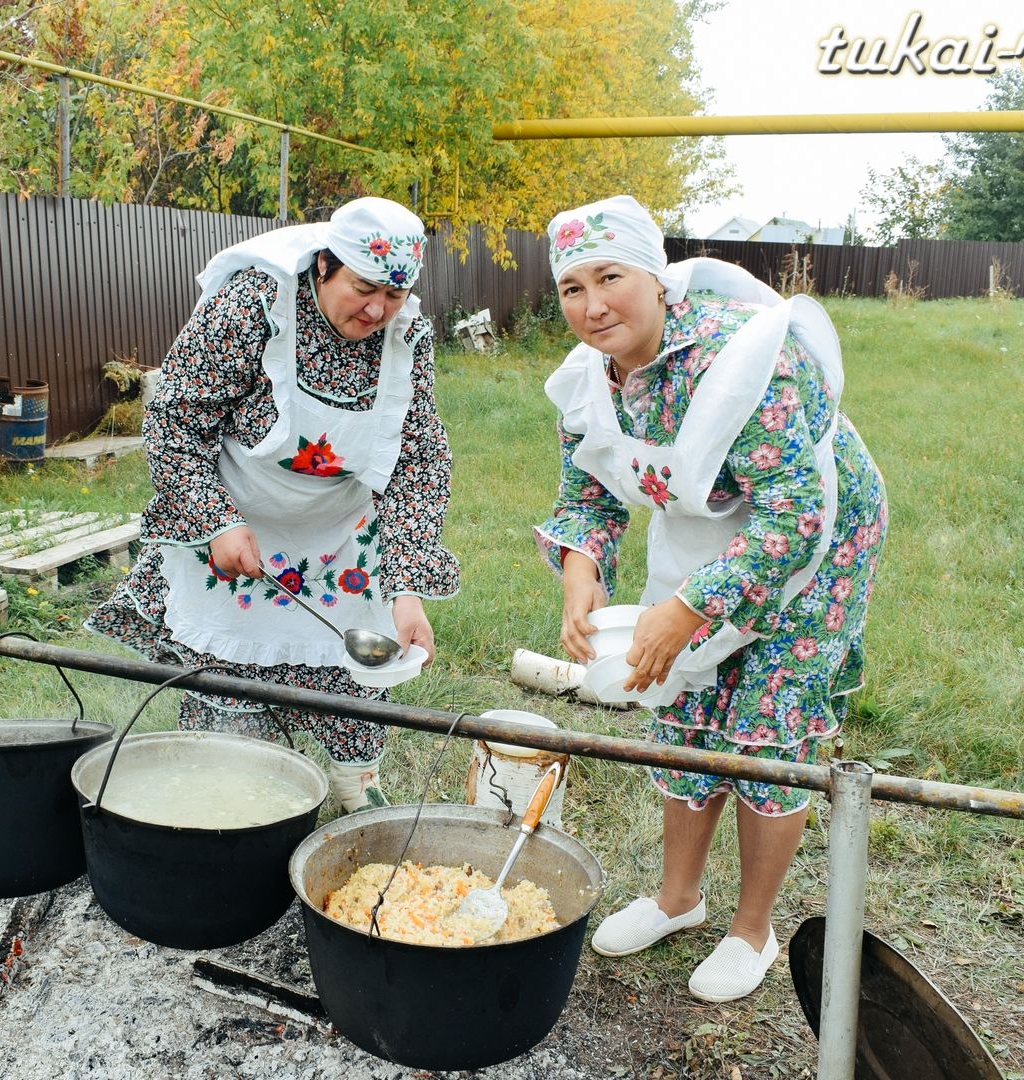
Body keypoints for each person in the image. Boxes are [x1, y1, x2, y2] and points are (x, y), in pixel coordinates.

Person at [533, 195, 887, 1002]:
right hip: (711, 526)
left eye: (611, 278)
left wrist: (691, 607)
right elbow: (586, 490)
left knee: (767, 724)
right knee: (685, 705)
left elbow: (794, 513)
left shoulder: (745, 358)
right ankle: (677, 899)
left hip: (814, 539)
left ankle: (751, 931)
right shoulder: (592, 378)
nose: (592, 306)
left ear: (655, 280)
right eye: (572, 289)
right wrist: (583, 569)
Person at [88, 197, 459, 814]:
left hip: (338, 531)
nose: (377, 310)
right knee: (228, 679)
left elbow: (417, 459)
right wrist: (214, 522)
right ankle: (236, 797)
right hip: (237, 520)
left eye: (393, 296)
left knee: (351, 673)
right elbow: (176, 419)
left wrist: (406, 586)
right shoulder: (252, 307)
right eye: (363, 289)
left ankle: (354, 785)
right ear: (323, 266)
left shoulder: (406, 334)